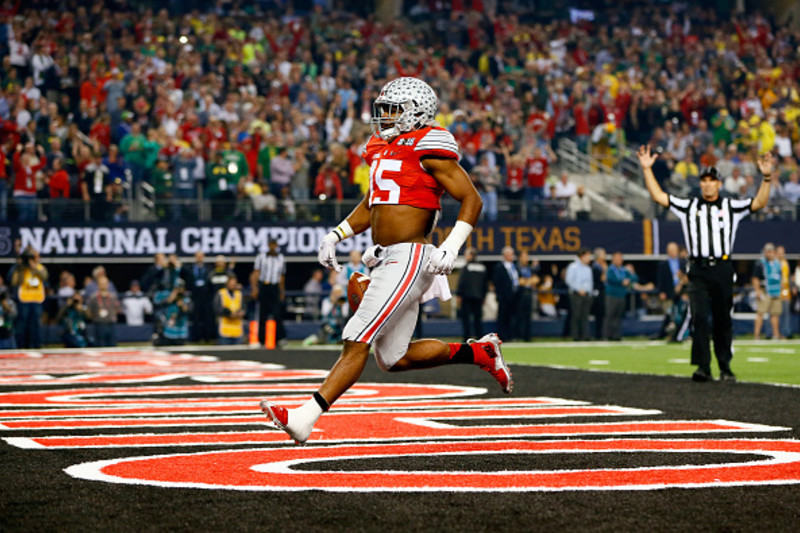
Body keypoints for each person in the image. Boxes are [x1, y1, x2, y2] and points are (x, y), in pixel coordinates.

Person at [260, 77, 511, 444]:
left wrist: (453, 246)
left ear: (415, 111)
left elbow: (471, 199)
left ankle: (305, 417)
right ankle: (480, 351)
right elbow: (373, 201)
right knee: (393, 358)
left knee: (356, 335)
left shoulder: (430, 142)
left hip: (411, 255)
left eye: (393, 109)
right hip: (386, 257)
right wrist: (338, 233)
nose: (385, 116)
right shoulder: (381, 145)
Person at [637, 145, 774, 382]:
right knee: (699, 317)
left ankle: (725, 366)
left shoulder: (731, 206)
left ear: (719, 184)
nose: (708, 184)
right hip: (698, 268)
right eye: (705, 181)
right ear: (700, 184)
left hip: (722, 267)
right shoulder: (688, 206)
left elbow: (760, 202)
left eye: (712, 180)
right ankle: (702, 367)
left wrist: (767, 177)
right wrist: (647, 170)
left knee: (723, 319)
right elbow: (659, 197)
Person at [10, 246, 47, 349]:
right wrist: (21, 266)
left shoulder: (40, 267)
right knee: (22, 325)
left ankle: (36, 345)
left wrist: (34, 266)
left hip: (36, 299)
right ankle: (21, 346)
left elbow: (45, 276)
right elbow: (15, 282)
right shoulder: (21, 268)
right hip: (24, 299)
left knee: (35, 325)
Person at [251, 239, 286, 346]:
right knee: (263, 314)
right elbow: (256, 273)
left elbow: (282, 276)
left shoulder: (281, 258)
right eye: (271, 244)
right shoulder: (261, 257)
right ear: (268, 245)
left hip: (274, 287)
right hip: (264, 286)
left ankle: (278, 339)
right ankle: (261, 340)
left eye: (274, 245)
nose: (272, 247)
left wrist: (281, 291)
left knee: (277, 314)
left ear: (276, 245)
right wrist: (255, 288)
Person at [752, 243, 783, 341]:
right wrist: (757, 290)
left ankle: (776, 335)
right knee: (760, 313)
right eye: (767, 252)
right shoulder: (761, 263)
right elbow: (755, 278)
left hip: (776, 291)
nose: (769, 254)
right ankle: (757, 336)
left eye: (771, 251)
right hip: (765, 291)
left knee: (775, 314)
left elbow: (780, 276)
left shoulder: (778, 263)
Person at [604, 251, 637, 341]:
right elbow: (611, 279)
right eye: (616, 259)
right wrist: (622, 282)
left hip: (621, 295)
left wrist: (628, 280)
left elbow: (634, 277)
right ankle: (607, 335)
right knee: (610, 315)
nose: (618, 260)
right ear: (613, 260)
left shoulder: (624, 270)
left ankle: (617, 335)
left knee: (618, 316)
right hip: (612, 295)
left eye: (620, 259)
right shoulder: (610, 269)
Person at [456, 247, 488, 342]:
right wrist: (483, 296)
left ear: (471, 255)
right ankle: (479, 337)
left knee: (466, 320)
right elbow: (485, 284)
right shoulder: (482, 267)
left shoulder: (466, 267)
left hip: (467, 297)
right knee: (478, 319)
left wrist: (459, 295)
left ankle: (467, 338)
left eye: (466, 255)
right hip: (478, 297)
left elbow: (462, 282)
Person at [492, 246, 520, 342]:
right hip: (504, 297)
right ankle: (502, 336)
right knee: (503, 318)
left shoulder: (515, 266)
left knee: (512, 317)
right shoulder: (499, 267)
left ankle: (511, 335)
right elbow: (497, 282)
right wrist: (500, 295)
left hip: (514, 297)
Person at [565, 248, 594, 341]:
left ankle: (585, 336)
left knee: (585, 316)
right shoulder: (573, 267)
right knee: (576, 315)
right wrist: (579, 289)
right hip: (576, 294)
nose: (589, 258)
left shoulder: (588, 268)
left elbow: (590, 282)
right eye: (588, 256)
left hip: (586, 295)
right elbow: (569, 280)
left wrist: (589, 291)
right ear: (582, 256)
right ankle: (576, 336)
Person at [86, 275, 122, 347]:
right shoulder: (94, 298)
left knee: (112, 347)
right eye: (101, 283)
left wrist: (112, 315)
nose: (103, 285)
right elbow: (89, 312)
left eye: (105, 283)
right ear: (98, 285)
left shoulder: (113, 297)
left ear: (108, 284)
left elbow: (118, 309)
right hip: (99, 325)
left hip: (111, 325)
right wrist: (96, 316)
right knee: (100, 347)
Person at [213, 275, 245, 345]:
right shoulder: (221, 293)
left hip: (237, 331)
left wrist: (241, 313)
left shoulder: (239, 294)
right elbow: (216, 308)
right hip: (225, 330)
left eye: (234, 285)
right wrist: (228, 313)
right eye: (231, 284)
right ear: (227, 284)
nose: (232, 286)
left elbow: (244, 308)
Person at [516, 250, 540, 341]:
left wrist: (526, 281)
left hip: (529, 294)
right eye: (524, 256)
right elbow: (519, 281)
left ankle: (527, 336)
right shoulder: (516, 267)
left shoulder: (529, 268)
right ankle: (519, 335)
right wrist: (529, 281)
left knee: (528, 316)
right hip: (520, 294)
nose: (526, 259)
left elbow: (536, 279)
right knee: (519, 316)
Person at [776, 245, 793, 339]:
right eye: (779, 252)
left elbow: (788, 277)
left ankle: (786, 332)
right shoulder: (774, 263)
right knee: (776, 313)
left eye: (782, 252)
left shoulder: (785, 263)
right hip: (776, 291)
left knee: (786, 313)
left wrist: (791, 287)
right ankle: (775, 333)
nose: (781, 254)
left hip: (786, 291)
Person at [591, 247, 607, 340]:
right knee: (599, 314)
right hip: (597, 293)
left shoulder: (600, 266)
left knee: (601, 315)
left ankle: (600, 334)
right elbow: (602, 279)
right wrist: (604, 270)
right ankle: (598, 335)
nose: (605, 256)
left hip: (601, 292)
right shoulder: (595, 267)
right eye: (603, 254)